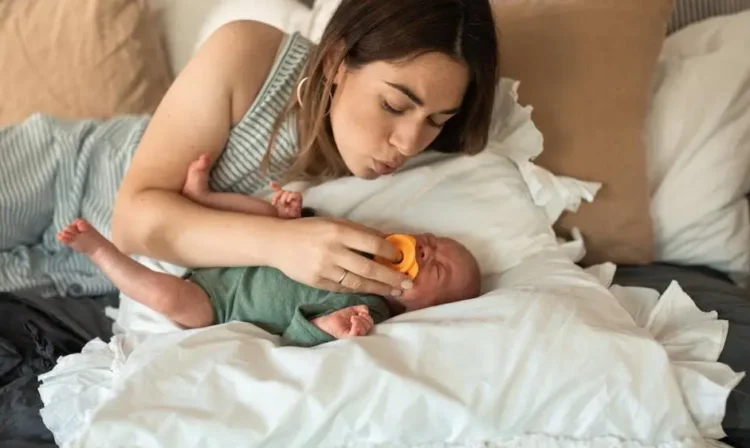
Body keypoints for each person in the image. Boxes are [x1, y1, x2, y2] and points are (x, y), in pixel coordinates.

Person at [0, 0, 499, 301]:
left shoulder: (430, 169)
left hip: (80, 275)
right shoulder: (251, 56)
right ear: (336, 60)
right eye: (393, 105)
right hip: (61, 171)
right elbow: (133, 220)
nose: (409, 144)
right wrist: (280, 242)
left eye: (437, 120)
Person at [56, 155, 482, 346]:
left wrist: (330, 327)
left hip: (217, 305)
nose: (428, 250)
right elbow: (310, 235)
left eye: (438, 268)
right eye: (433, 242)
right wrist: (292, 216)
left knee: (168, 296)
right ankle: (200, 198)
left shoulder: (368, 311)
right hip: (240, 254)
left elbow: (294, 338)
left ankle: (100, 253)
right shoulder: (367, 240)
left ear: (421, 310)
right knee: (260, 214)